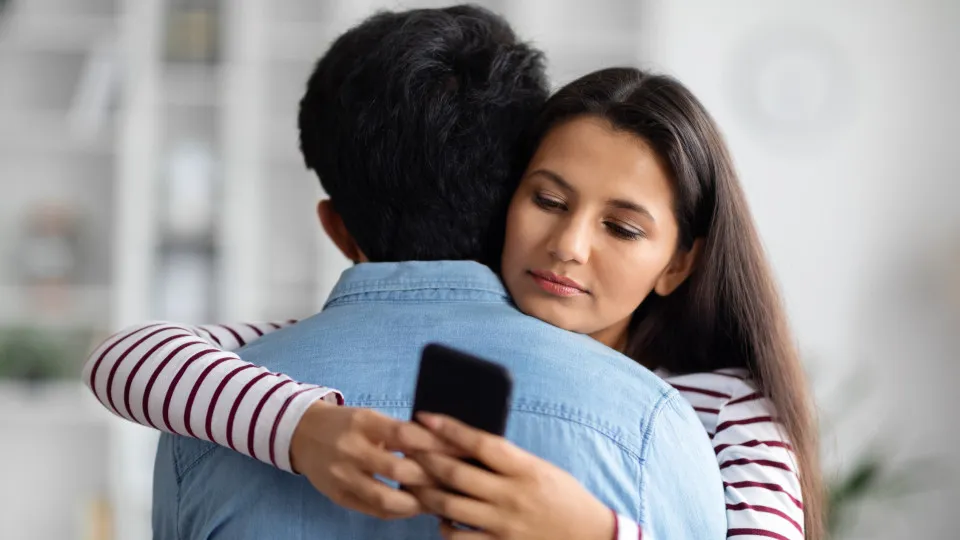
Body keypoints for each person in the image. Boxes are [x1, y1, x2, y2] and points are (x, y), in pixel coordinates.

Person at [83, 5, 820, 540]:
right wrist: (305, 427)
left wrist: (586, 532)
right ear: (502, 199)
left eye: (622, 227)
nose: (568, 245)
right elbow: (129, 356)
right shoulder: (296, 355)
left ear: (679, 262)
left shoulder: (722, 409)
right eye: (547, 199)